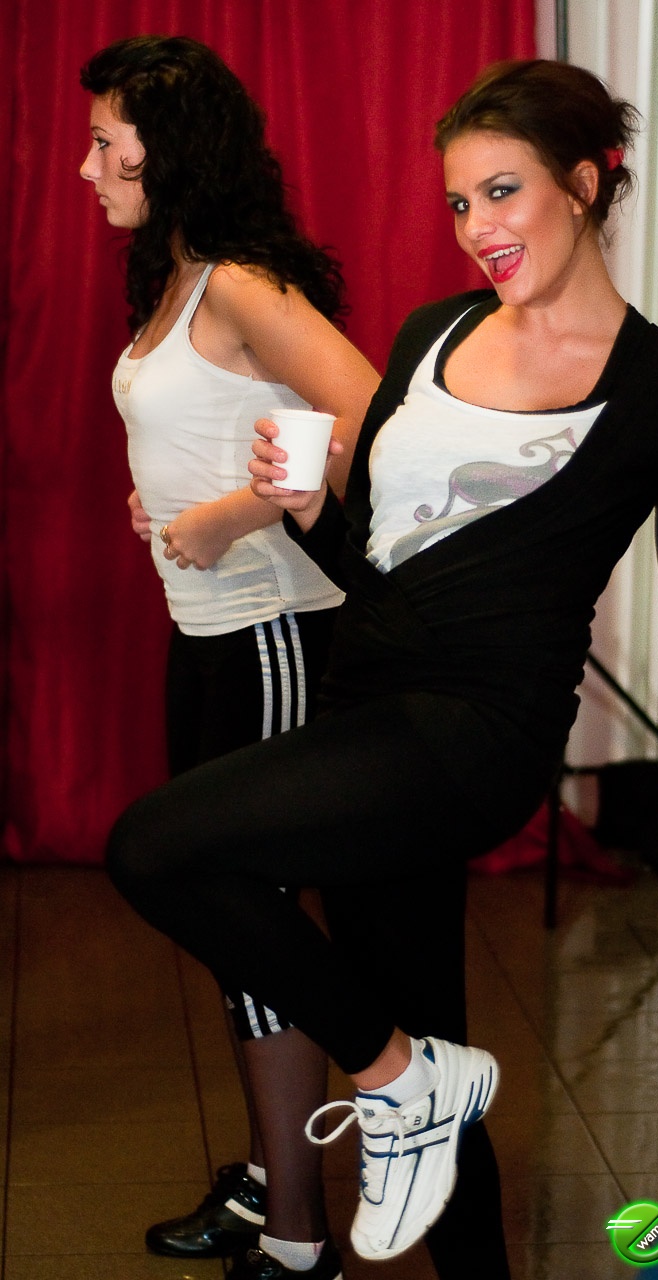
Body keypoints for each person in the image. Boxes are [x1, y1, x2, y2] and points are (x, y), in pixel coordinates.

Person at [103, 58, 658, 1272]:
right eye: (459, 202)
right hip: (364, 705)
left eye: (503, 192)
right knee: (423, 1032)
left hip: (475, 733)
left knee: (155, 846)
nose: (477, 227)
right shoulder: (430, 332)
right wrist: (303, 506)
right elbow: (369, 559)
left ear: (586, 183)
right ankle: (421, 1094)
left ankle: (399, 1079)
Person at [80, 35, 379, 1280]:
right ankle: (269, 1182)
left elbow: (366, 410)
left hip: (276, 636)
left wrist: (236, 513)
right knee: (234, 925)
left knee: (250, 915)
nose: (87, 167)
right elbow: (219, 424)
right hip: (205, 635)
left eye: (106, 144)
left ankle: (300, 1236)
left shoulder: (241, 282)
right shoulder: (176, 275)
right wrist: (167, 501)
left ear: (169, 150)